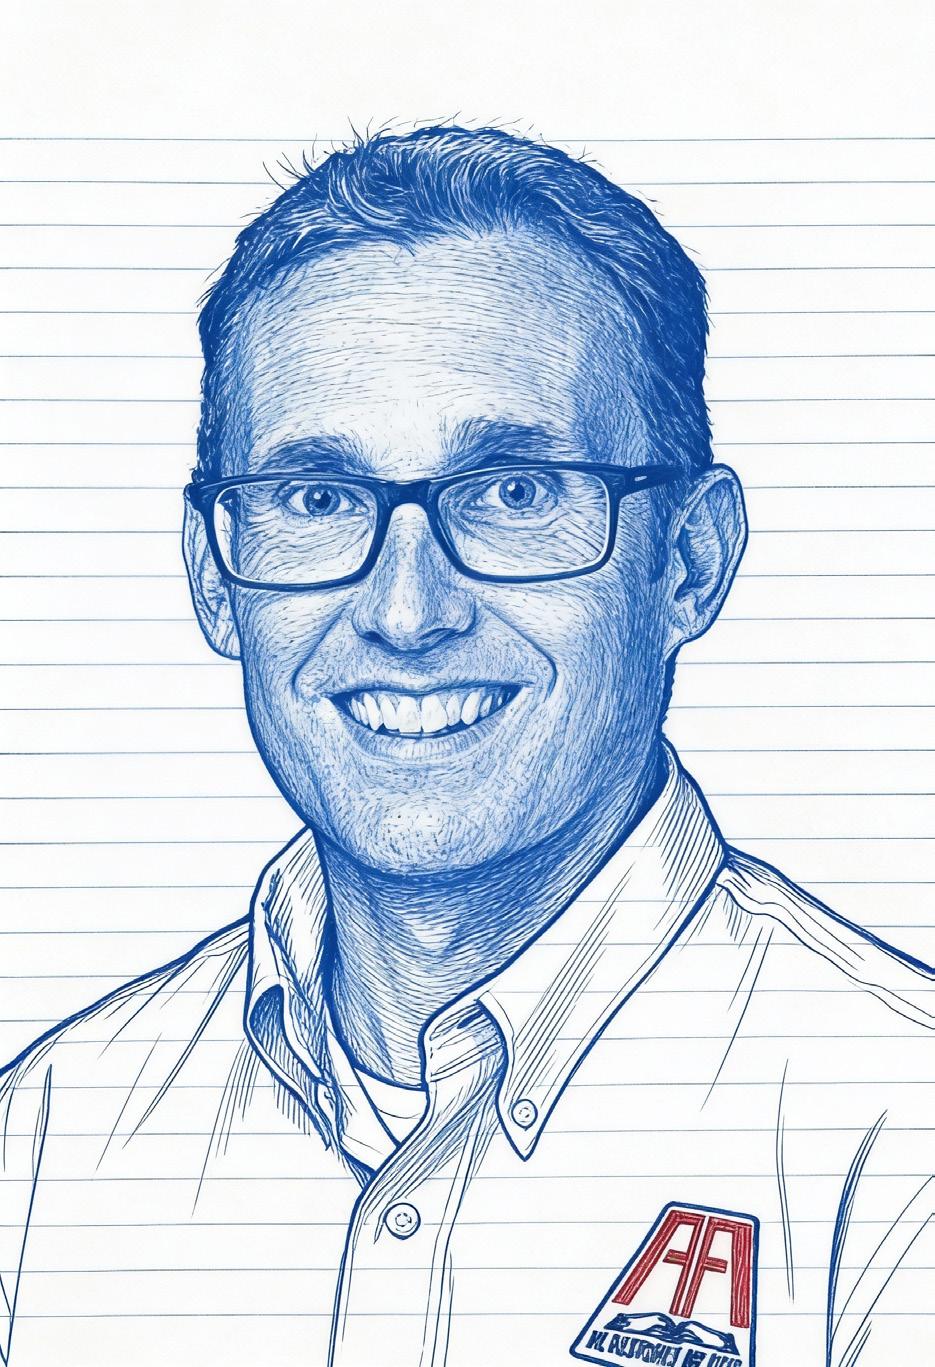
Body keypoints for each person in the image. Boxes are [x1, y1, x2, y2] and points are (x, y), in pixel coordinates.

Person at [0, 126, 931, 1367]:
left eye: (511, 491)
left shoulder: (896, 1148)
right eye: (317, 499)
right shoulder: (43, 1143)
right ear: (214, 577)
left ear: (688, 561)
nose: (406, 610)